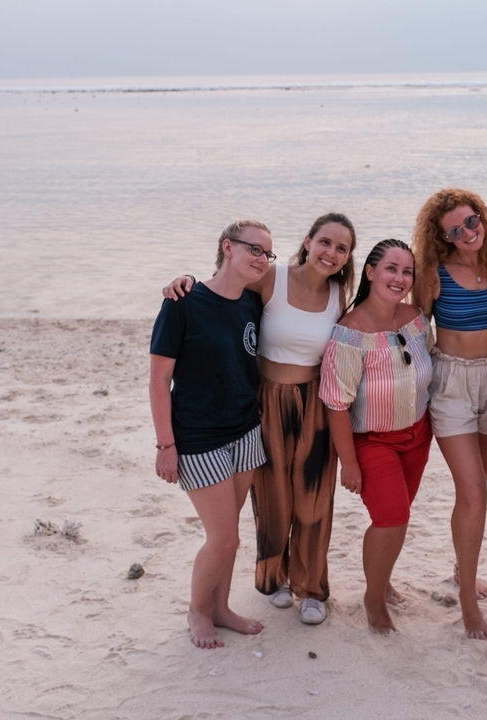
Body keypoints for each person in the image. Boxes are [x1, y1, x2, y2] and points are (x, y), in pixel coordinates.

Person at [162, 214, 357, 626]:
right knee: (271, 499)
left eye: (342, 248)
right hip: (264, 400)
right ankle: (275, 580)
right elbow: (219, 288)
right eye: (325, 242)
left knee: (315, 497)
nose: (331, 253)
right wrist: (184, 280)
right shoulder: (272, 277)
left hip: (315, 402)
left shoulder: (342, 294)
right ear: (308, 241)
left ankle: (312, 588)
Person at [148, 219, 275, 649]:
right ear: (227, 247)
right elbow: (158, 380)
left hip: (245, 431)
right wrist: (166, 445)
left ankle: (220, 608)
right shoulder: (183, 302)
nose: (262, 259)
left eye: (267, 254)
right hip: (199, 437)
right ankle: (198, 611)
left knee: (231, 533)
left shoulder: (251, 305)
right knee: (223, 537)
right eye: (254, 249)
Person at [411, 189, 487, 642]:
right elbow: (413, 325)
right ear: (441, 237)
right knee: (472, 492)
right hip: (452, 383)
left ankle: (462, 568)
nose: (467, 233)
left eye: (471, 221)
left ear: (483, 217)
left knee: (481, 483)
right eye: (454, 230)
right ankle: (468, 602)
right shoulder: (433, 274)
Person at [319, 239, 434, 635]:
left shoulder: (416, 317)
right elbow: (336, 404)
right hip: (373, 440)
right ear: (370, 272)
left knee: (398, 520)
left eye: (407, 271)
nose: (400, 278)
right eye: (391, 268)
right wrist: (348, 462)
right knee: (391, 517)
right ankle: (372, 597)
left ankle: (383, 582)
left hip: (419, 434)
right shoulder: (349, 334)